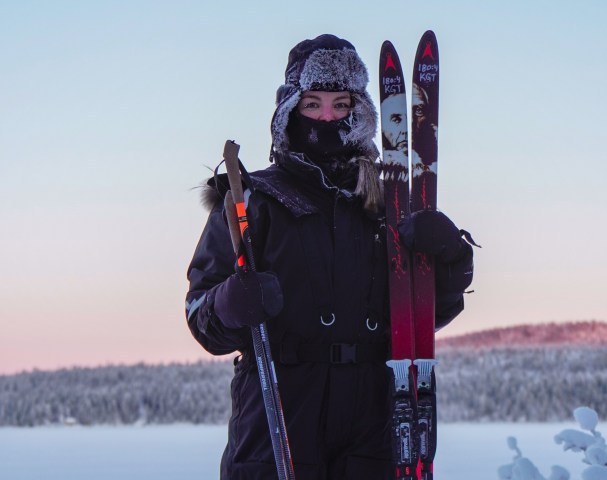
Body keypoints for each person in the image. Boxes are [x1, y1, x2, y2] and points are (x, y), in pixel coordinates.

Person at [185, 34, 474, 480]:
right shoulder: (255, 201)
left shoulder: (388, 201)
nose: (326, 116)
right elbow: (201, 315)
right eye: (313, 104)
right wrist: (229, 301)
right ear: (290, 110)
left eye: (341, 105)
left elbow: (422, 317)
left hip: (374, 426)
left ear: (359, 112)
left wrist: (452, 261)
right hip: (279, 417)